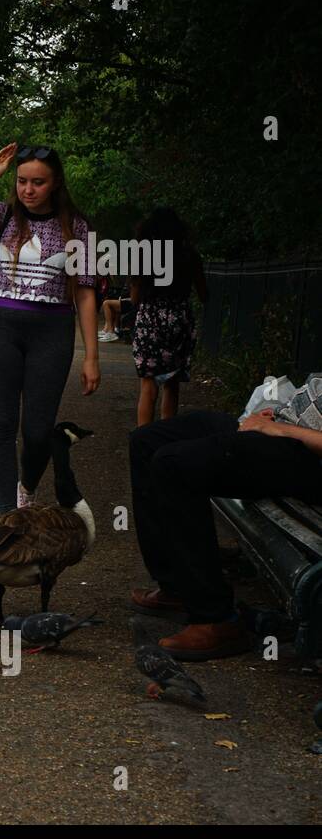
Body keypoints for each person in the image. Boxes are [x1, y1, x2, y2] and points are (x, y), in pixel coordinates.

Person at [0, 142, 101, 513]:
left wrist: (92, 355)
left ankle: (27, 485)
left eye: (38, 182)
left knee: (39, 431)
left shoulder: (77, 228)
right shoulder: (2, 216)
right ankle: (9, 516)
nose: (28, 189)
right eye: (22, 181)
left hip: (53, 332)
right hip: (0, 330)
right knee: (0, 426)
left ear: (55, 183)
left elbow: (86, 293)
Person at [129, 400, 322, 659]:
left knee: (173, 464)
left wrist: (283, 430)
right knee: (146, 440)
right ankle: (176, 588)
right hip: (281, 430)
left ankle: (216, 618)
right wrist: (276, 413)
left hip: (307, 456)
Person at [129, 208, 207, 427]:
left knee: (148, 384)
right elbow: (203, 294)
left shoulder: (143, 254)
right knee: (172, 383)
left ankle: (144, 437)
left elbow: (134, 297)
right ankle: (165, 434)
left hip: (150, 319)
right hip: (179, 319)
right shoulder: (190, 255)